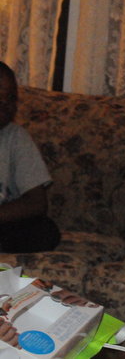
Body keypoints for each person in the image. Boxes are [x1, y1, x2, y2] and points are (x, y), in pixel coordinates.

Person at [0, 62, 60, 253]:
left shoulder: (16, 136)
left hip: (3, 223)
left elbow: (37, 203)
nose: (5, 104)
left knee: (45, 230)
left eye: (11, 98)